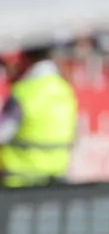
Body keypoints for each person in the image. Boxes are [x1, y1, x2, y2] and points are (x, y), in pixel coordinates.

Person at [0, 44, 78, 188]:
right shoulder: (65, 90)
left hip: (18, 180)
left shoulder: (24, 92)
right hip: (56, 177)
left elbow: (2, 133)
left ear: (25, 58)